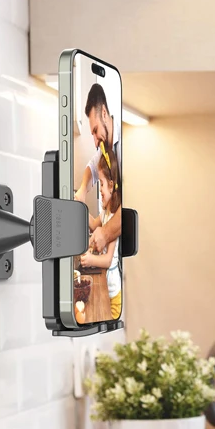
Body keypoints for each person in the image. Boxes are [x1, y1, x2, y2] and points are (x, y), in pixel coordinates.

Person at [75, 83, 122, 254]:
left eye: (95, 131)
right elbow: (92, 167)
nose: (95, 141)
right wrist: (81, 191)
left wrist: (106, 232)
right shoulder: (104, 149)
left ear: (104, 113)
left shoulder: (124, 143)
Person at [79, 151, 122, 320]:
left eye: (102, 185)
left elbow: (108, 260)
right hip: (107, 287)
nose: (101, 191)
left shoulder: (114, 221)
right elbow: (93, 224)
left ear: (111, 185)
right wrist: (80, 208)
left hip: (114, 297)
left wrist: (89, 260)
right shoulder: (105, 213)